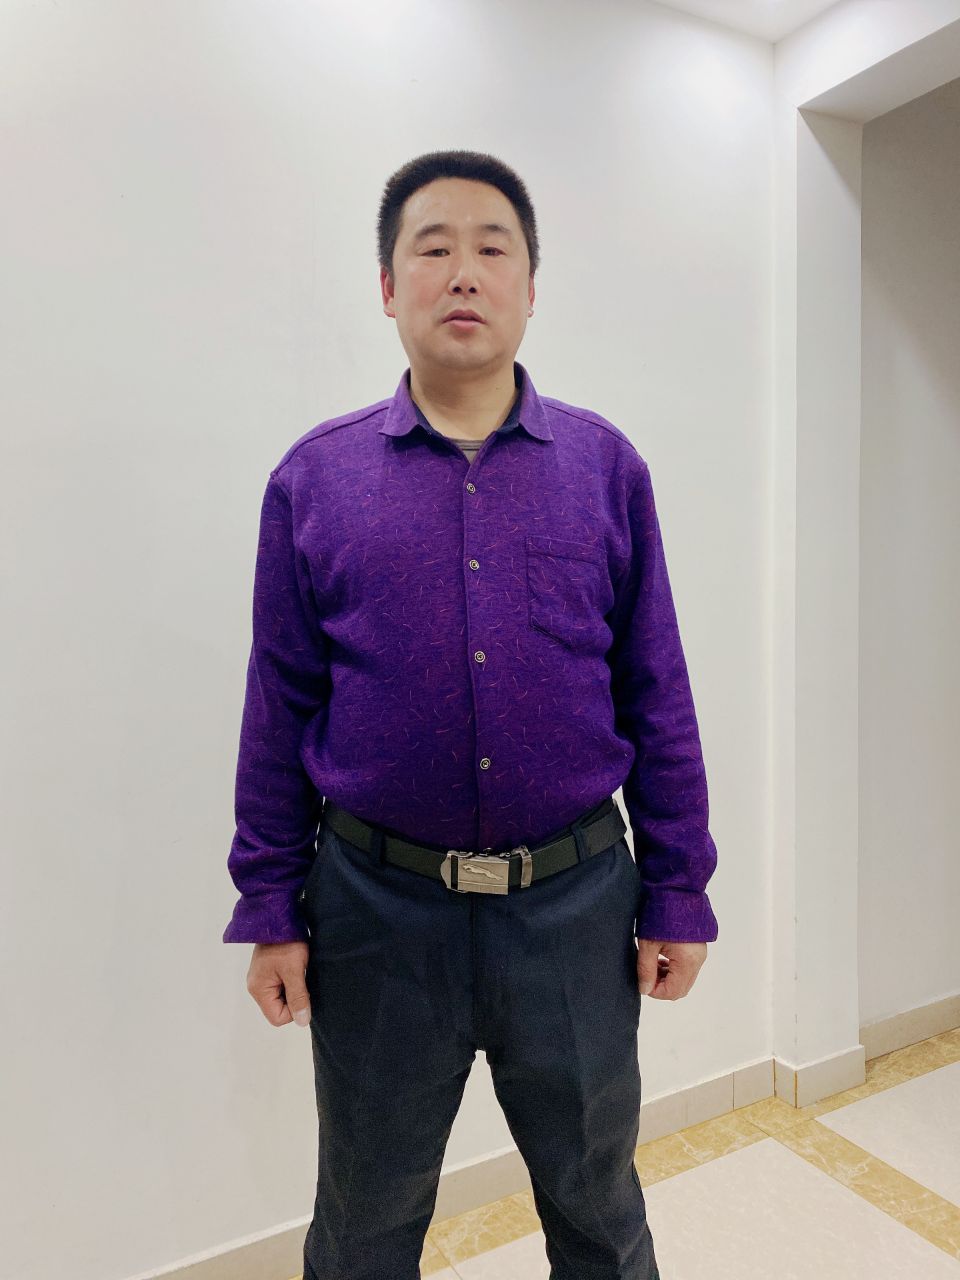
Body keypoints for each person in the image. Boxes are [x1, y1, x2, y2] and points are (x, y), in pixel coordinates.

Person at [222, 148, 719, 1280]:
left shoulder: (605, 468)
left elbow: (657, 687)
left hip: (576, 911)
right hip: (376, 914)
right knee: (363, 1221)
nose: (462, 272)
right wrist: (270, 903)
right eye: (432, 248)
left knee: (599, 1211)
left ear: (530, 286)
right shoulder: (313, 481)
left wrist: (679, 886)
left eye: (492, 248)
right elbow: (279, 704)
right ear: (386, 286)